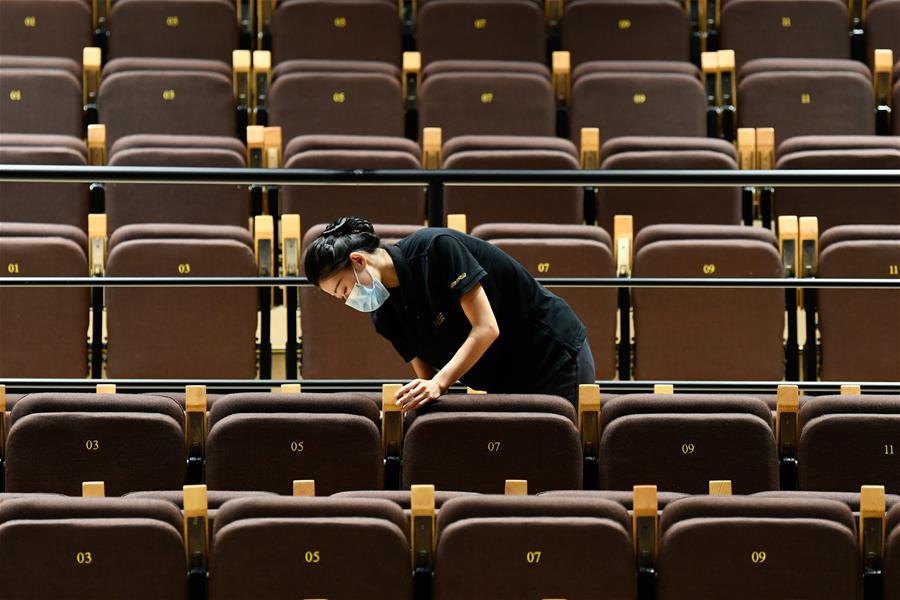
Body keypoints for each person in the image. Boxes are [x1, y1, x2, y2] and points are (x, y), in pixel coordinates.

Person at [303, 216, 595, 411]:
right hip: (504, 381)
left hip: (553, 355)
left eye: (344, 289)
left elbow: (486, 328)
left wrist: (439, 383)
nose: (348, 300)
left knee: (559, 462)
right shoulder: (384, 315)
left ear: (358, 260)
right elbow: (428, 381)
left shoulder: (436, 249)